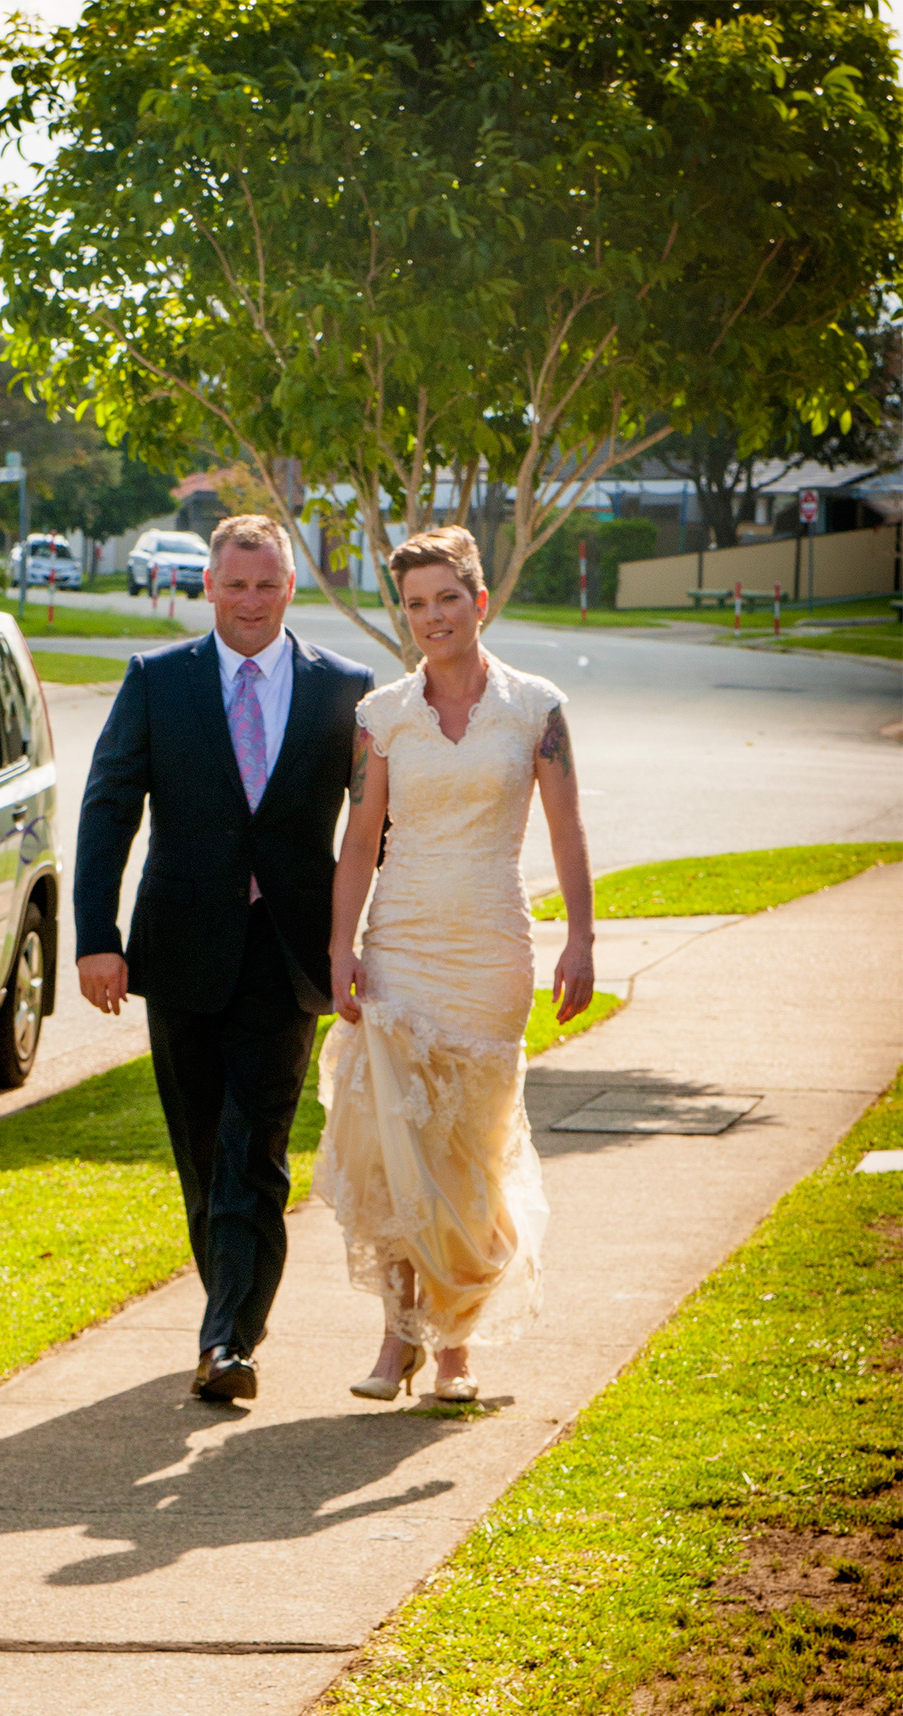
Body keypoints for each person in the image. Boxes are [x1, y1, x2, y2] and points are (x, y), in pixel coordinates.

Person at [75, 514, 374, 1403]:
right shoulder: (156, 681)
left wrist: (375, 935)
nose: (251, 600)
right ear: (207, 585)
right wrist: (96, 939)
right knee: (204, 1152)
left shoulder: (345, 690)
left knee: (256, 1147)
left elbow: (377, 826)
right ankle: (226, 1321)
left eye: (267, 583)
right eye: (235, 583)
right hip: (180, 951)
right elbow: (106, 809)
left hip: (288, 954)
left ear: (292, 588)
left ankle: (230, 1341)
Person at [313, 524, 595, 1403]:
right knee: (395, 1147)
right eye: (414, 604)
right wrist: (339, 945)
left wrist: (580, 938)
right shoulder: (381, 716)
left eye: (446, 599)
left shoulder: (536, 708)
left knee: (465, 1155)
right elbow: (358, 841)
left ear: (478, 602)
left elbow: (566, 829)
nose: (431, 617)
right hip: (399, 944)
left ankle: (455, 1353)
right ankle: (396, 1342)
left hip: (490, 950)